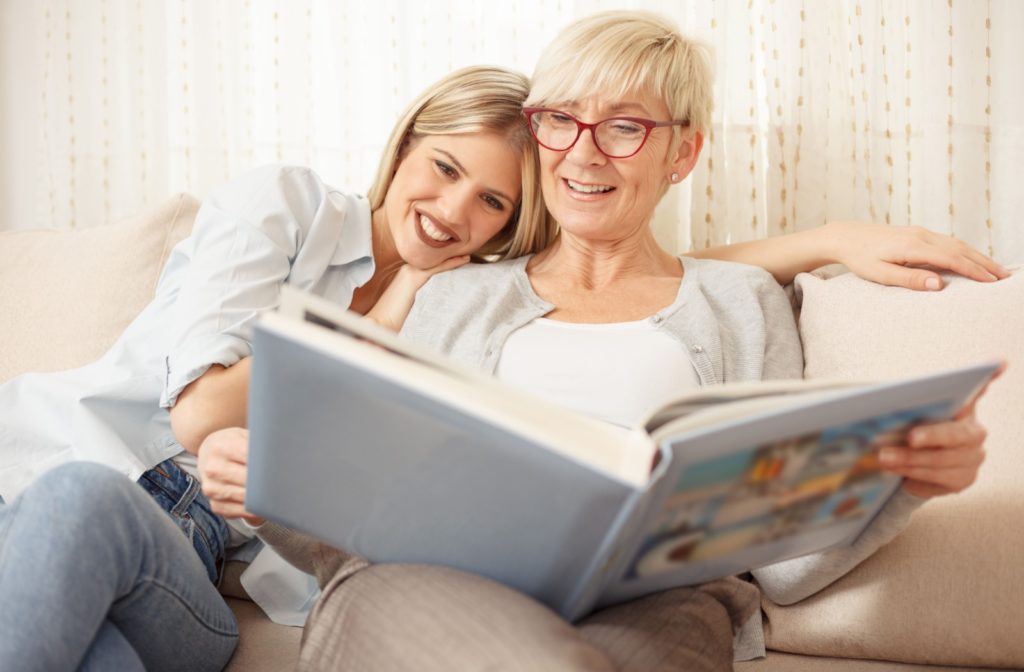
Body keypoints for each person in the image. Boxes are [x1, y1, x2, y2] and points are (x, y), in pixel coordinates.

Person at [0, 39, 1002, 672]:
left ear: (680, 153)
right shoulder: (436, 282)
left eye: (622, 127)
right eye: (562, 123)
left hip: (660, 600)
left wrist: (904, 477)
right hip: (406, 576)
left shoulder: (737, 303)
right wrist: (283, 478)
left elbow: (777, 567)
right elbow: (308, 497)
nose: (583, 151)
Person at [0, 65, 555, 672]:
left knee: (87, 502)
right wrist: (376, 326)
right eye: (445, 168)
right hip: (32, 478)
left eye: (491, 200)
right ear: (404, 148)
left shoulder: (454, 329)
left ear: (508, 225)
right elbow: (201, 412)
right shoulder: (289, 206)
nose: (452, 209)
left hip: (183, 562)